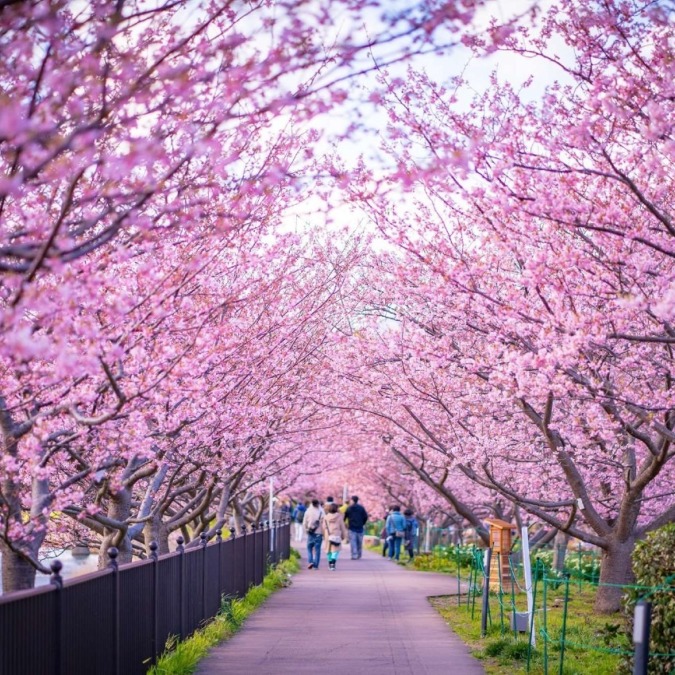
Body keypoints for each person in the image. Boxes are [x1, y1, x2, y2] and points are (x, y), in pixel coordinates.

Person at [323, 502, 348, 570]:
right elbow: (342, 527)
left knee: (328, 550)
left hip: (328, 535)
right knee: (335, 550)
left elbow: (324, 527)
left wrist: (324, 535)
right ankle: (333, 565)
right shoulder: (339, 517)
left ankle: (330, 564)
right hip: (336, 535)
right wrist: (344, 536)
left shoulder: (325, 517)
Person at [344, 495, 368, 560]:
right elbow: (366, 516)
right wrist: (362, 523)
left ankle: (354, 555)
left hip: (352, 527)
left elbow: (345, 517)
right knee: (359, 542)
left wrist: (345, 523)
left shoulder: (349, 508)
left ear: (352, 500)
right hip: (360, 527)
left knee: (353, 542)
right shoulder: (361, 508)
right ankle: (359, 555)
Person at [303, 499, 324, 569]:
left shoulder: (308, 511)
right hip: (319, 533)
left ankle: (310, 561)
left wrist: (306, 530)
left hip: (310, 532)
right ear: (318, 504)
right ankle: (316, 565)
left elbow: (304, 523)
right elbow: (324, 523)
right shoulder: (322, 512)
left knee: (309, 549)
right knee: (317, 550)